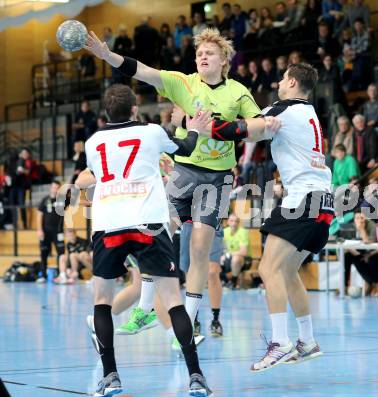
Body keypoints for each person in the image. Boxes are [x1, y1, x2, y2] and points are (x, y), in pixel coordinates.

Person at [84, 28, 279, 346]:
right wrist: (108, 56)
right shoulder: (184, 82)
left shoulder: (238, 92)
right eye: (199, 53)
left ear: (224, 59)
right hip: (183, 171)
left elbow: (258, 128)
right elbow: (144, 72)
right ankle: (145, 309)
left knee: (199, 249)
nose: (202, 56)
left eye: (209, 53)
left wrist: (220, 129)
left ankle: (186, 324)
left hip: (216, 178)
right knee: (153, 231)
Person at [189, 64, 333, 371]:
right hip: (323, 201)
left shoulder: (284, 109)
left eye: (283, 78)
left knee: (268, 268)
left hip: (303, 200)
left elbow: (245, 129)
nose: (279, 82)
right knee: (288, 271)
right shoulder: (309, 113)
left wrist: (208, 128)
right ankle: (307, 341)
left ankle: (280, 342)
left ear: (292, 82)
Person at [75, 84, 212, 397]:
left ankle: (111, 376)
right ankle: (196, 376)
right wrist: (195, 129)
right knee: (173, 299)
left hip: (109, 224)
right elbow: (186, 148)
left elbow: (94, 177)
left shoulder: (93, 141)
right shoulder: (151, 132)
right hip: (147, 222)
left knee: (102, 300)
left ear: (105, 114)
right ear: (135, 108)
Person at [180, 221, 225, 339]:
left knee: (212, 272)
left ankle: (215, 319)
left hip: (211, 221)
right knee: (190, 273)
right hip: (188, 222)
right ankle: (193, 319)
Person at [344, 210, 378, 296]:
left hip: (372, 252)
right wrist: (351, 250)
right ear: (353, 219)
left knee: (372, 259)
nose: (360, 220)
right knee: (346, 257)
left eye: (362, 218)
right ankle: (344, 286)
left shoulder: (371, 225)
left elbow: (369, 244)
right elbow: (345, 243)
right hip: (357, 252)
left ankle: (375, 283)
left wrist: (362, 229)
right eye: (357, 218)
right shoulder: (350, 226)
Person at [37, 181, 65, 283]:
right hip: (45, 232)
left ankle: (59, 275)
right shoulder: (45, 200)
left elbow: (75, 200)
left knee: (61, 253)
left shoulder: (63, 199)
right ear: (51, 188)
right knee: (43, 253)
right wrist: (39, 229)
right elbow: (39, 215)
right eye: (54, 187)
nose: (55, 189)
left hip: (58, 232)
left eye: (58, 188)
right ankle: (43, 275)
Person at [223, 213, 251, 289]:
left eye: (236, 221)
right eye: (231, 221)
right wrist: (223, 255)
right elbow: (221, 248)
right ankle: (223, 280)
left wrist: (229, 254)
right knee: (216, 258)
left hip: (244, 260)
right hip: (228, 258)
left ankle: (233, 281)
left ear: (238, 223)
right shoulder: (224, 232)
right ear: (228, 222)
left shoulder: (243, 232)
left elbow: (244, 252)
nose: (234, 223)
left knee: (236, 258)